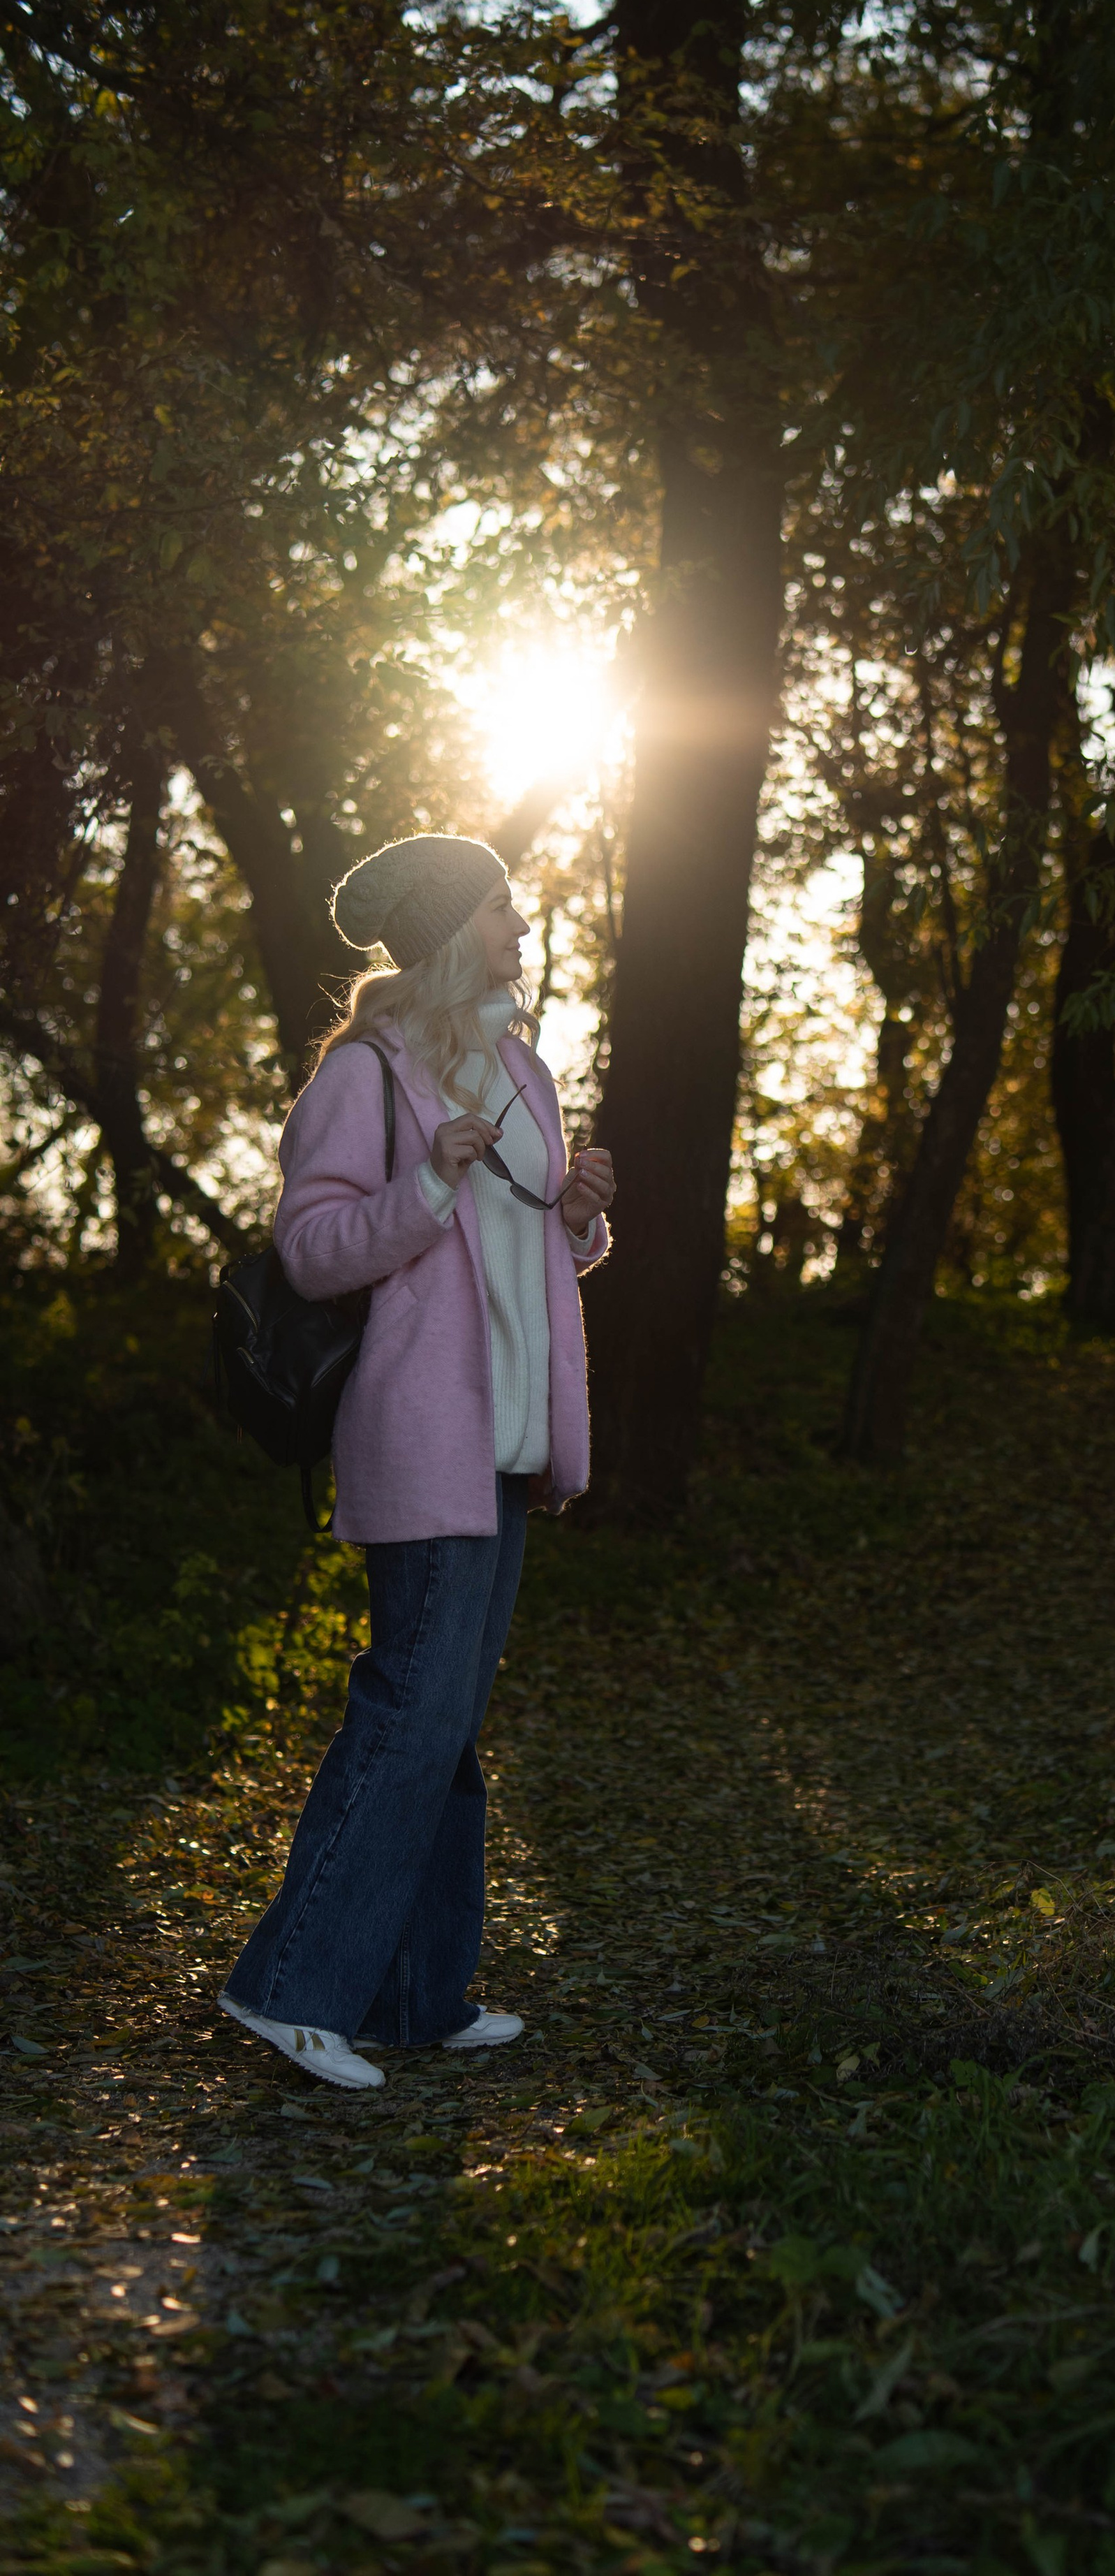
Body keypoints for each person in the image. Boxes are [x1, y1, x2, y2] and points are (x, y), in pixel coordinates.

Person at [219, 833, 615, 2091]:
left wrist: (583, 1214)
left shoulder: (519, 1067)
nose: (522, 922)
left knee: (447, 1728)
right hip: (420, 1434)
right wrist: (428, 1190)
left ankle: (415, 1996)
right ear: (451, 928)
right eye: (501, 907)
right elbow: (313, 1249)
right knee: (410, 1713)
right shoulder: (370, 1074)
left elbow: (533, 1262)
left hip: (506, 1439)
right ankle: (286, 1988)